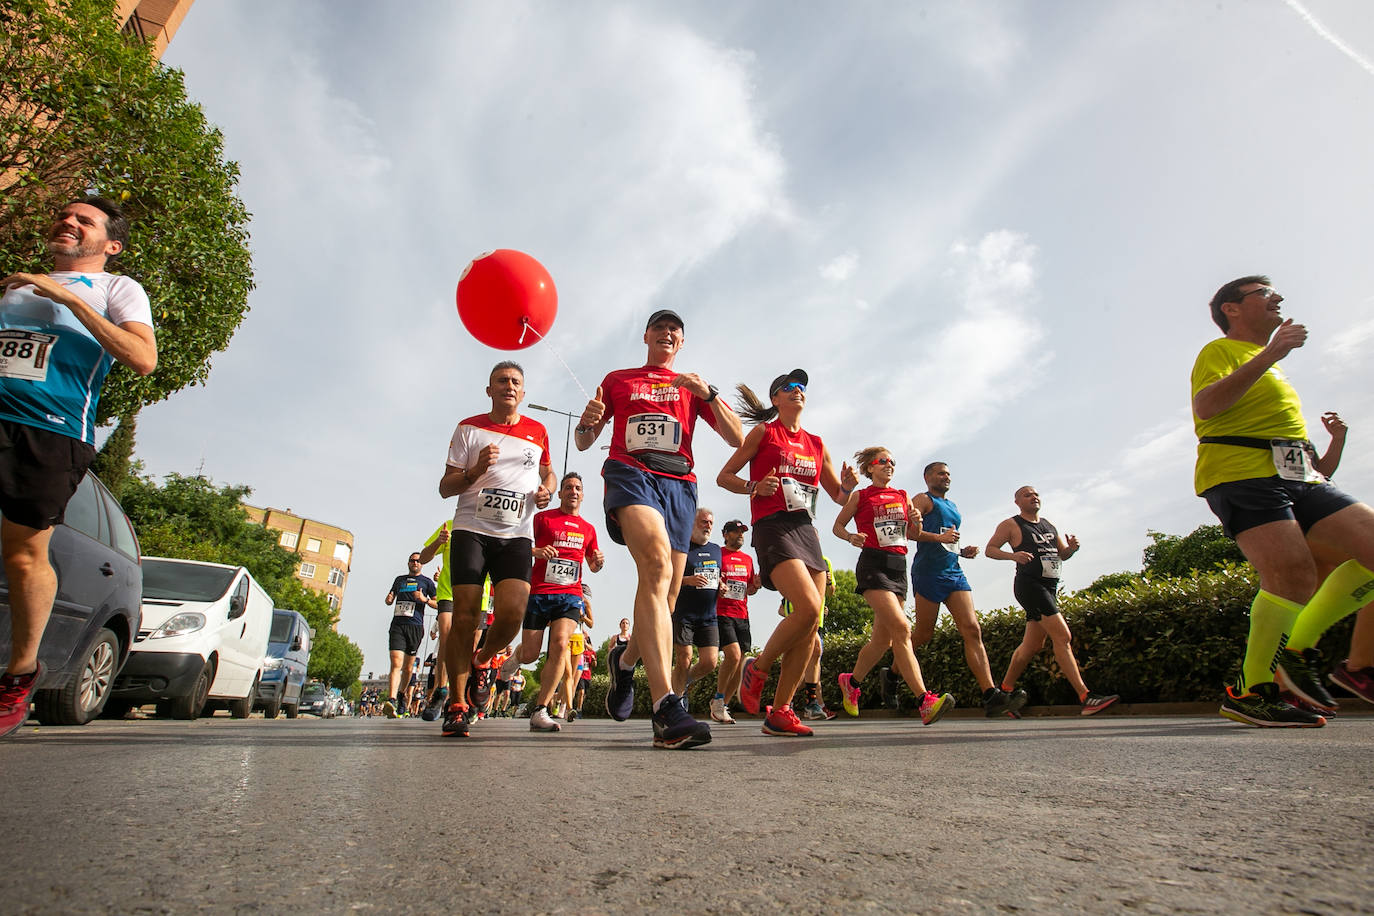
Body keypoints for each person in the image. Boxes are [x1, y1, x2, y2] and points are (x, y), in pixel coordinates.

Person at [0, 197, 158, 739]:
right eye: (64, 216)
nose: (68, 222)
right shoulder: (17, 285)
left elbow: (142, 357)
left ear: (110, 245)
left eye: (83, 220)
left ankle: (21, 673)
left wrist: (64, 296)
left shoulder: (117, 289)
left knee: (24, 554)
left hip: (51, 430)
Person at [1192, 276, 1374, 726]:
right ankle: (1251, 691)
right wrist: (1272, 351)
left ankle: (1318, 657)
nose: (1277, 299)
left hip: (1302, 479)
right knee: (1292, 576)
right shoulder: (1220, 352)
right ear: (1232, 309)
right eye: (1264, 293)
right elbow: (1207, 407)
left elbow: (1316, 467)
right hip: (1242, 473)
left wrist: (1338, 441)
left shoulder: (1274, 370)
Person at [575, 309, 742, 749]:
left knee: (665, 598)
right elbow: (583, 440)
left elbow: (737, 437)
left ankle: (625, 661)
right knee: (655, 565)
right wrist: (588, 419)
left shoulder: (691, 385)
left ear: (681, 343)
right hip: (630, 473)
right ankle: (666, 707)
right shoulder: (618, 379)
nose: (667, 333)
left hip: (680, 484)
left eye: (676, 330)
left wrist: (708, 393)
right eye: (660, 327)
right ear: (647, 336)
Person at [720, 369, 856, 737]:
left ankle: (780, 711)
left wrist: (848, 489)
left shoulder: (816, 443)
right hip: (773, 527)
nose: (797, 391)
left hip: (806, 531)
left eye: (802, 388)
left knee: (811, 629)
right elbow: (725, 476)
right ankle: (758, 667)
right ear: (776, 399)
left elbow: (838, 497)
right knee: (808, 608)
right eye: (788, 388)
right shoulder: (765, 433)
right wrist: (754, 485)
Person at [437, 361, 556, 737]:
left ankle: (483, 659)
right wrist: (473, 473)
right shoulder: (468, 428)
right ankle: (457, 704)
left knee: (512, 615)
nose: (509, 386)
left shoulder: (538, 432)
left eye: (515, 382)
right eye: (501, 381)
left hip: (516, 536)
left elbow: (548, 472)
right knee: (466, 617)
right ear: (489, 390)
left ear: (523, 392)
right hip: (472, 530)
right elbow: (445, 487)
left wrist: (547, 489)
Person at [833, 447, 955, 726]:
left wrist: (920, 526)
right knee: (902, 629)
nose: (889, 466)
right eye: (883, 462)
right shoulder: (860, 496)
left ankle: (851, 682)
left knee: (883, 640)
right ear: (870, 468)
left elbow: (912, 535)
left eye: (892, 462)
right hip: (873, 566)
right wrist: (851, 536)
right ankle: (925, 701)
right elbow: (837, 526)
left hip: (898, 567)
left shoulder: (901, 496)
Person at [985, 486, 1119, 716]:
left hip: (1049, 587)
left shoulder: (1048, 525)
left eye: (1036, 494)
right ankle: (1086, 697)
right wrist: (1013, 555)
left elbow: (1061, 554)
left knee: (1032, 646)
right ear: (1017, 501)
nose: (1033, 497)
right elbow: (990, 549)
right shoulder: (1011, 524)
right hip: (1030, 586)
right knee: (1062, 636)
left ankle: (1003, 696)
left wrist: (1072, 549)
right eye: (1027, 495)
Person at [909, 462, 1026, 718]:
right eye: (941, 473)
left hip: (954, 571)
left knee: (972, 629)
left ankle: (990, 694)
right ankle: (894, 674)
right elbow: (909, 532)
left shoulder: (953, 507)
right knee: (923, 634)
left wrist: (962, 551)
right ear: (928, 477)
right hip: (928, 572)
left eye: (949, 474)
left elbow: (948, 540)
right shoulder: (922, 499)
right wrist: (939, 538)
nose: (946, 477)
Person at [496, 471, 603, 733]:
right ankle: (512, 663)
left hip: (570, 595)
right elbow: (517, 545)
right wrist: (537, 551)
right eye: (568, 487)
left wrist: (597, 562)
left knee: (560, 645)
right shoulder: (543, 519)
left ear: (583, 494)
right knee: (532, 654)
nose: (573, 492)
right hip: (539, 592)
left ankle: (540, 709)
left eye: (577, 488)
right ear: (561, 493)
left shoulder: (589, 529)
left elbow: (592, 564)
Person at [671, 508, 722, 712]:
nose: (707, 526)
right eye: (703, 522)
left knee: (710, 662)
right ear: (692, 523)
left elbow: (716, 576)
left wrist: (721, 584)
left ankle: (683, 682)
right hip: (684, 614)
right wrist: (688, 580)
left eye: (710, 522)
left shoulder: (717, 549)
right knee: (684, 658)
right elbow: (668, 579)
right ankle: (678, 701)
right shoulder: (681, 549)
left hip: (709, 616)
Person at [711, 519, 759, 724]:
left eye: (742, 532)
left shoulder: (748, 559)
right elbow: (709, 575)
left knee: (740, 664)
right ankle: (719, 700)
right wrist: (718, 584)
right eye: (736, 531)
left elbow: (749, 588)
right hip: (722, 612)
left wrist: (755, 586)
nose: (740, 535)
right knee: (733, 655)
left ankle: (722, 705)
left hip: (742, 615)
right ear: (725, 534)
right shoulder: (717, 554)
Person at [383, 553, 437, 718]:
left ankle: (401, 695)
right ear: (408, 563)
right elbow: (390, 597)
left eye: (418, 561)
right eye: (413, 560)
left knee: (407, 668)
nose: (415, 563)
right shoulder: (400, 580)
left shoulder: (427, 582)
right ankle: (391, 699)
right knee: (395, 662)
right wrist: (390, 598)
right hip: (398, 625)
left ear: (422, 564)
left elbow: (439, 604)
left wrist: (425, 600)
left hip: (415, 627)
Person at [416, 521, 452, 721]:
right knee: (446, 638)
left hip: (476, 595)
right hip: (448, 593)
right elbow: (423, 557)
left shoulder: (490, 525)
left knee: (468, 647)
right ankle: (441, 690)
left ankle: (463, 698)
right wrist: (438, 542)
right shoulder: (451, 525)